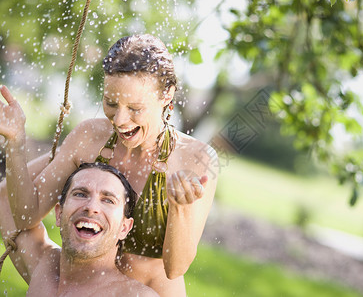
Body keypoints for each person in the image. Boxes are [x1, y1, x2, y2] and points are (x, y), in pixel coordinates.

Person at [0, 34, 218, 296]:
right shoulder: (90, 137)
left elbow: (176, 268)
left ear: (167, 95)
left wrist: (181, 209)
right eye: (111, 103)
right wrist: (15, 142)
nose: (121, 119)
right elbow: (24, 215)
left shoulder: (195, 158)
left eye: (135, 108)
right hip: (82, 288)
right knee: (3, 199)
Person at [0, 162, 159, 296]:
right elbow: (5, 196)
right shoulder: (44, 265)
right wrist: (67, 155)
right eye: (81, 194)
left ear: (124, 228)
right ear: (59, 213)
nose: (91, 207)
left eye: (108, 200)